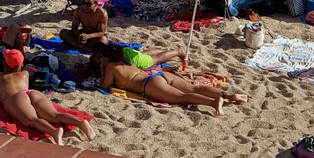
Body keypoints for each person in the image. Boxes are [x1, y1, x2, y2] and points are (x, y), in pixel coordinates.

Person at [98, 46, 247, 112]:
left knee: (183, 97)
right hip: (158, 75)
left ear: (106, 58)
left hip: (149, 85)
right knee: (193, 88)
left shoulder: (111, 66)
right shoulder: (125, 59)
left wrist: (103, 70)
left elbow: (104, 85)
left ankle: (214, 102)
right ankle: (228, 96)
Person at [0, 49, 95, 145]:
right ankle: (80, 123)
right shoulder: (25, 73)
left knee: (32, 120)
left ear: (5, 63)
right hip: (31, 93)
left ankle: (54, 131)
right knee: (55, 115)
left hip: (15, 98)